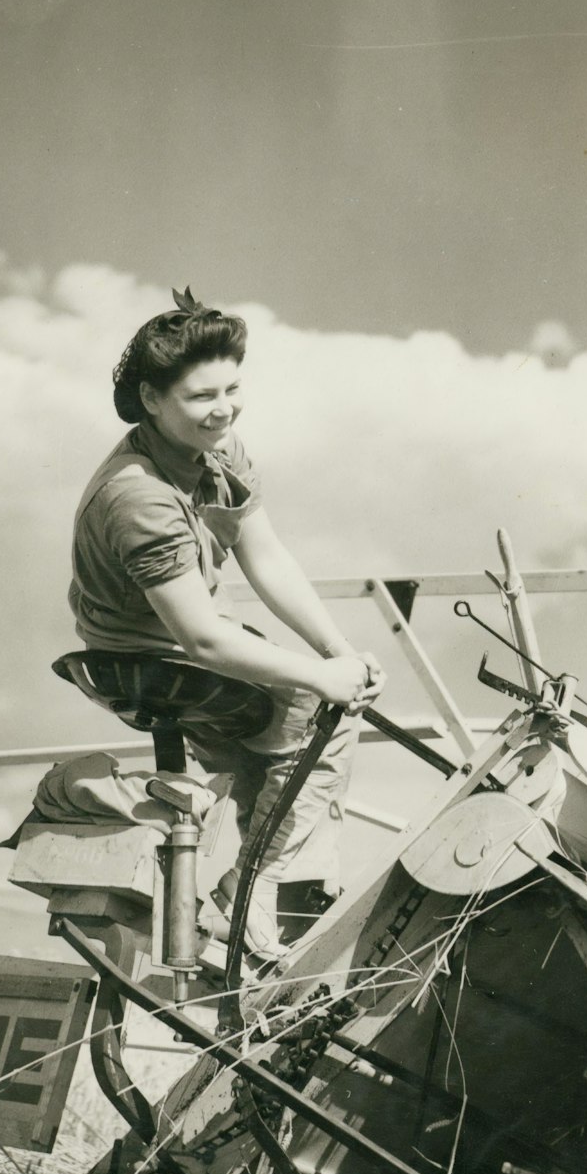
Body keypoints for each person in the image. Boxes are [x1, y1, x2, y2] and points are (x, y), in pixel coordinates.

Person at [68, 287, 384, 956]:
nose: (223, 409)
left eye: (232, 389)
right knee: (311, 706)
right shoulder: (137, 494)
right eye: (201, 397)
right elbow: (201, 637)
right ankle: (243, 900)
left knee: (298, 718)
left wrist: (337, 648)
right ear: (153, 400)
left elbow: (264, 554)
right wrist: (321, 677)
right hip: (138, 654)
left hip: (186, 632)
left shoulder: (220, 450)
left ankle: (247, 906)